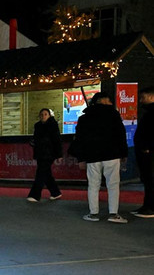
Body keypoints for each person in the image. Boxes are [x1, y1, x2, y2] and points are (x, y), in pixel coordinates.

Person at [68, 92, 128, 223]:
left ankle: (93, 213)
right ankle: (113, 214)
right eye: (109, 100)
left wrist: (81, 158)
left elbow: (80, 139)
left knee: (93, 184)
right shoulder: (114, 115)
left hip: (92, 156)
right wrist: (124, 153)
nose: (111, 103)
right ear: (104, 101)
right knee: (113, 184)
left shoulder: (85, 118)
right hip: (112, 154)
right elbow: (121, 135)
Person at [26, 108, 63, 202]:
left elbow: (57, 140)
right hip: (40, 153)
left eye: (45, 114)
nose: (43, 116)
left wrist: (59, 155)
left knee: (40, 173)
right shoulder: (37, 126)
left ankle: (35, 195)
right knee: (46, 173)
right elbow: (35, 138)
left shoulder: (53, 125)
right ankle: (55, 192)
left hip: (49, 153)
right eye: (41, 114)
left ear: (49, 115)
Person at [133, 87, 154, 217]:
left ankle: (150, 207)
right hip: (146, 151)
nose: (141, 101)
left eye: (143, 97)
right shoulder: (148, 113)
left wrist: (147, 147)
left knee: (150, 179)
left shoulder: (151, 113)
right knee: (147, 179)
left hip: (149, 153)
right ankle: (147, 205)